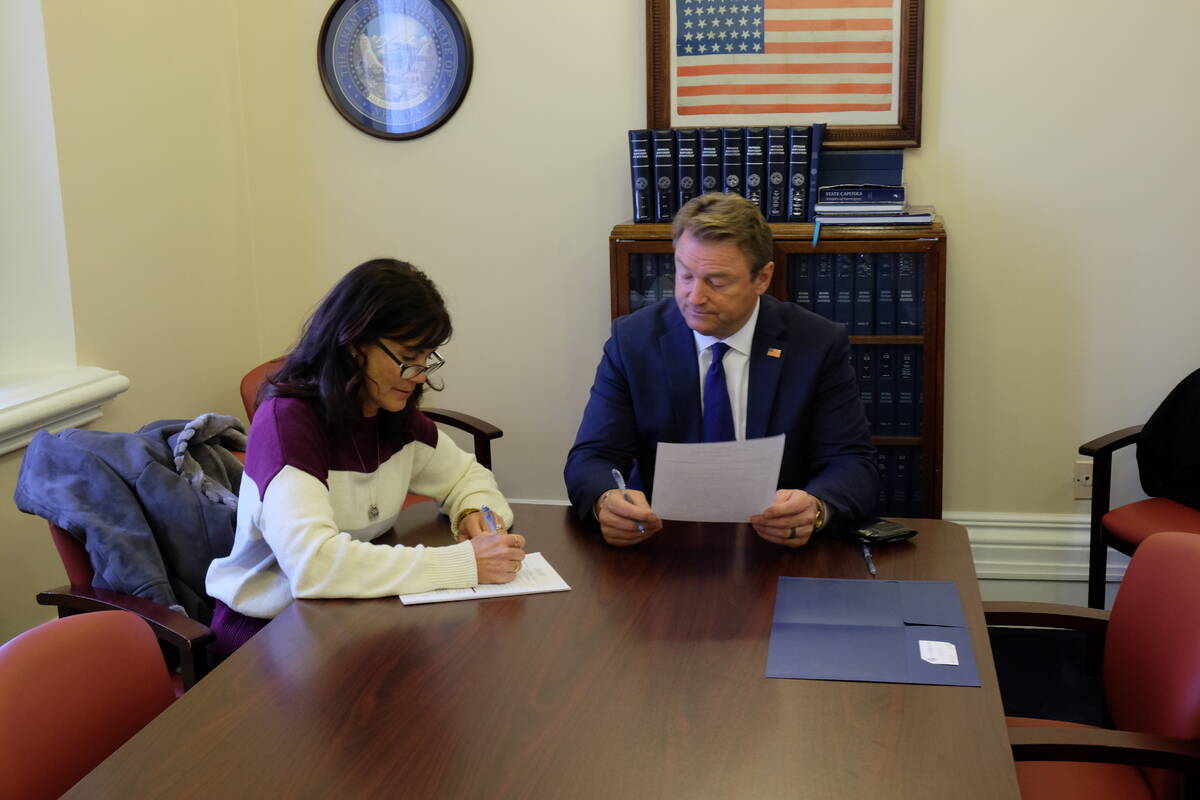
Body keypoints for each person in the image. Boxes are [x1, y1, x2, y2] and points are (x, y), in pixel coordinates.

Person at [206, 258, 524, 655]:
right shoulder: (286, 423)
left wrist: (473, 511)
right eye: (409, 356)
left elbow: (466, 477)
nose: (420, 375)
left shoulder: (391, 414)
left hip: (349, 615)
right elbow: (313, 566)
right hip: (267, 633)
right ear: (354, 344)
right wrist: (465, 564)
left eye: (428, 357)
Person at [565, 192, 878, 547]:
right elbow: (592, 457)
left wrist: (817, 508)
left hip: (776, 544)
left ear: (762, 278)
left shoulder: (815, 344)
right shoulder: (634, 341)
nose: (694, 296)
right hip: (662, 541)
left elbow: (853, 463)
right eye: (685, 275)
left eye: (717, 282)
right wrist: (605, 501)